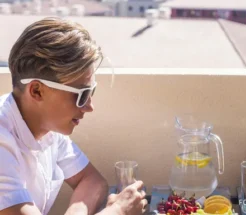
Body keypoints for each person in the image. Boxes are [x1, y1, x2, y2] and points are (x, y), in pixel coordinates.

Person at [0, 17, 147, 215]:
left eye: (91, 92)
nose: (89, 106)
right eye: (81, 95)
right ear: (37, 91)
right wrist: (118, 211)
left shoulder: (47, 127)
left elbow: (92, 181)